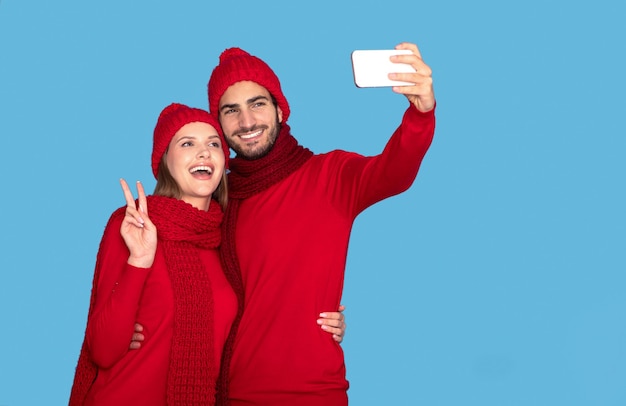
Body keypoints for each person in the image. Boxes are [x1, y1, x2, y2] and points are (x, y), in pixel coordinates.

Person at [207, 42, 436, 405]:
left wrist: (421, 114)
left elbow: (395, 171)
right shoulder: (215, 201)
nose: (247, 121)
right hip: (235, 394)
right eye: (231, 110)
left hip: (316, 393)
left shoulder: (329, 176)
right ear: (218, 124)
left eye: (258, 104)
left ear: (281, 110)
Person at [69, 103, 235, 405]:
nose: (204, 152)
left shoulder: (227, 239)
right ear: (164, 161)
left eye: (214, 144)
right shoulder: (133, 223)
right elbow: (103, 350)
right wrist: (139, 262)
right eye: (187, 143)